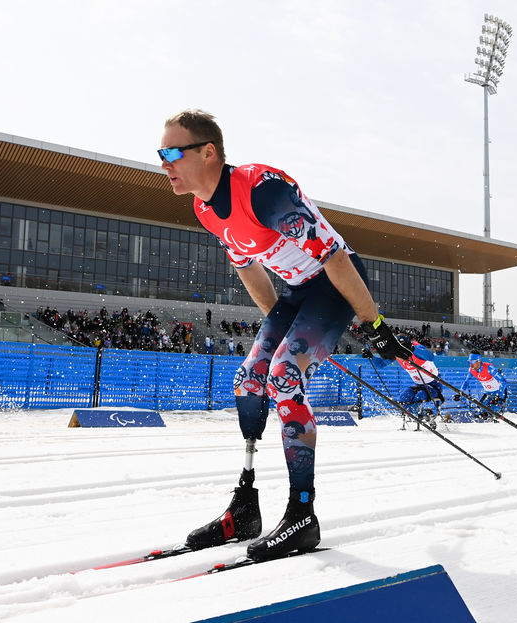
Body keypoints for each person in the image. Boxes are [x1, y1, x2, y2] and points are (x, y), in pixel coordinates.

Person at [160, 110, 408, 561]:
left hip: (334, 284)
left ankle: (301, 514)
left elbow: (333, 257)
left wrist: (373, 324)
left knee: (284, 376)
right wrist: (279, 332)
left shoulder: (262, 189)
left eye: (172, 152)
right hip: (297, 293)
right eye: (160, 154)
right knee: (250, 379)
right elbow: (248, 268)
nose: (164, 163)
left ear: (208, 151)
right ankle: (245, 507)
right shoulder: (204, 208)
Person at [363, 334, 444, 427]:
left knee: (419, 396)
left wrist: (412, 349)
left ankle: (421, 415)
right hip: (420, 386)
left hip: (434, 386)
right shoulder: (396, 353)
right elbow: (381, 364)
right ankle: (425, 415)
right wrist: (371, 356)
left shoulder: (417, 347)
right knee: (403, 398)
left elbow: (430, 357)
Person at [455, 351, 508, 420]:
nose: (471, 364)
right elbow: (466, 382)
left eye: (473, 362)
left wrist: (498, 396)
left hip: (499, 392)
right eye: (469, 362)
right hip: (488, 393)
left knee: (492, 412)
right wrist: (459, 393)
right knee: (481, 412)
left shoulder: (489, 368)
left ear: (478, 361)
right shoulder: (471, 370)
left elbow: (503, 382)